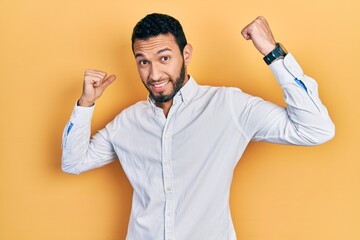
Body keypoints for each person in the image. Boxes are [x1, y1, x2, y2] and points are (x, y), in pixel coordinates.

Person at [61, 13, 335, 240]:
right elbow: (73, 163)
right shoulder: (128, 121)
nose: (154, 74)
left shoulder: (228, 106)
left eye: (164, 58)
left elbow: (316, 129)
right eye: (143, 62)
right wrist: (85, 104)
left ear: (186, 54)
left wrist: (272, 52)